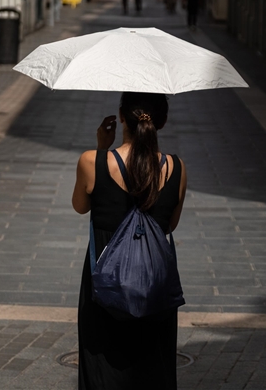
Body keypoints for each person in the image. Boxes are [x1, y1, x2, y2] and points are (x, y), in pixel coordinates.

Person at [72, 92, 188, 390]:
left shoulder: (91, 161)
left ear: (121, 117)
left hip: (105, 279)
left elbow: (80, 206)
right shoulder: (176, 168)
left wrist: (101, 150)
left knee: (102, 364)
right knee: (153, 365)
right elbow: (170, 224)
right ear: (161, 121)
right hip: (154, 281)